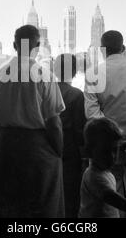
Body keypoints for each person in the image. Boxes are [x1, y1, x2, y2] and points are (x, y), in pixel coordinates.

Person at [0, 25, 65, 218]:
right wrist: (58, 152)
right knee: (42, 208)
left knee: (6, 208)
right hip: (38, 150)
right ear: (37, 46)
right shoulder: (45, 75)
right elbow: (54, 123)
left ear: (14, 45)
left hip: (5, 147)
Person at [84, 30, 126, 218]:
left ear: (101, 50)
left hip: (107, 151)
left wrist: (112, 140)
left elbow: (92, 114)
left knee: (112, 207)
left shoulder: (93, 73)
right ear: (123, 48)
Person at [54, 53, 86, 217]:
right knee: (71, 195)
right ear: (74, 71)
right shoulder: (76, 95)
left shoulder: (44, 91)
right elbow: (80, 128)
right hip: (70, 150)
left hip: (48, 147)